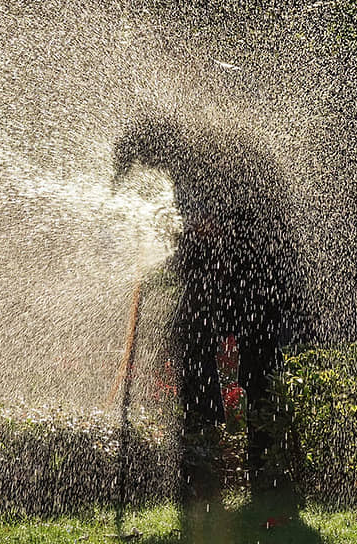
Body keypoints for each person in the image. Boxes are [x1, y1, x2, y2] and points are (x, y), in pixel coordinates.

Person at [111, 114, 310, 482]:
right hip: (226, 278)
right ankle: (215, 450)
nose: (151, 168)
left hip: (253, 277)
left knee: (251, 364)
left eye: (147, 161)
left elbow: (213, 226)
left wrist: (189, 238)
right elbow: (199, 229)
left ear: (159, 148)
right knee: (197, 350)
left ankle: (251, 458)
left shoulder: (202, 157)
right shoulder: (189, 158)